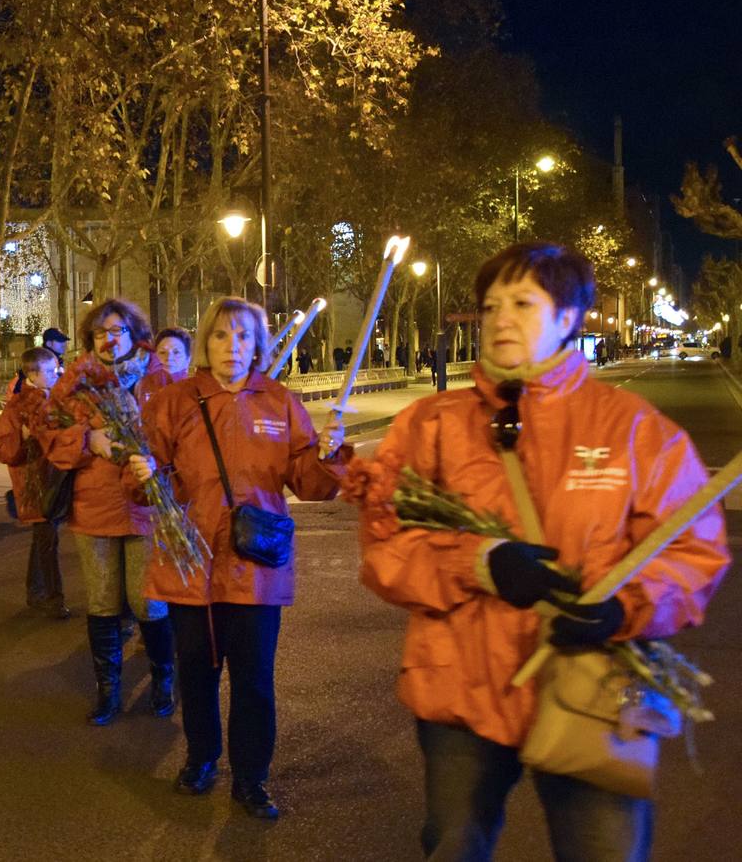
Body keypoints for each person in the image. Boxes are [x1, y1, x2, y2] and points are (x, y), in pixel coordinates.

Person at [358, 243, 730, 859]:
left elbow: (693, 547)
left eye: (523, 303)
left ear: (568, 317)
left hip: (591, 686)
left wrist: (625, 606)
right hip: (461, 689)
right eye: (491, 305)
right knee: (454, 845)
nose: (501, 318)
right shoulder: (432, 424)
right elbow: (385, 545)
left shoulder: (634, 428)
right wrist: (477, 563)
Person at [131, 296, 348, 819]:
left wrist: (330, 453)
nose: (234, 347)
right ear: (206, 342)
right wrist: (140, 475)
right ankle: (201, 758)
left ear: (259, 343)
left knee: (253, 681)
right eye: (222, 336)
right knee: (197, 674)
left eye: (245, 336)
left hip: (255, 567)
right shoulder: (175, 402)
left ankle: (252, 777)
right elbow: (147, 481)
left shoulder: (279, 402)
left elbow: (312, 484)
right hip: (190, 564)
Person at [42, 299, 175, 726]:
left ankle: (163, 678)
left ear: (133, 334)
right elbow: (48, 427)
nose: (109, 339)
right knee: (101, 601)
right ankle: (108, 690)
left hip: (144, 506)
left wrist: (155, 459)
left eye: (116, 330)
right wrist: (86, 438)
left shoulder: (158, 378)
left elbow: (180, 435)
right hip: (94, 506)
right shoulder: (75, 378)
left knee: (147, 602)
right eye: (100, 332)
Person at [0, 346, 67, 617]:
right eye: (50, 371)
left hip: (55, 479)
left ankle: (36, 591)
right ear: (33, 374)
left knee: (43, 539)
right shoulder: (17, 408)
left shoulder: (56, 400)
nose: (56, 375)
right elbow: (4, 451)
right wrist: (25, 441)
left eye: (56, 370)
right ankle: (52, 597)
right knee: (47, 541)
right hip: (36, 483)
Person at [138, 326, 192, 408]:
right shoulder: (141, 389)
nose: (169, 358)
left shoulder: (194, 393)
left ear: (188, 359)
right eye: (162, 352)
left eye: (176, 352)